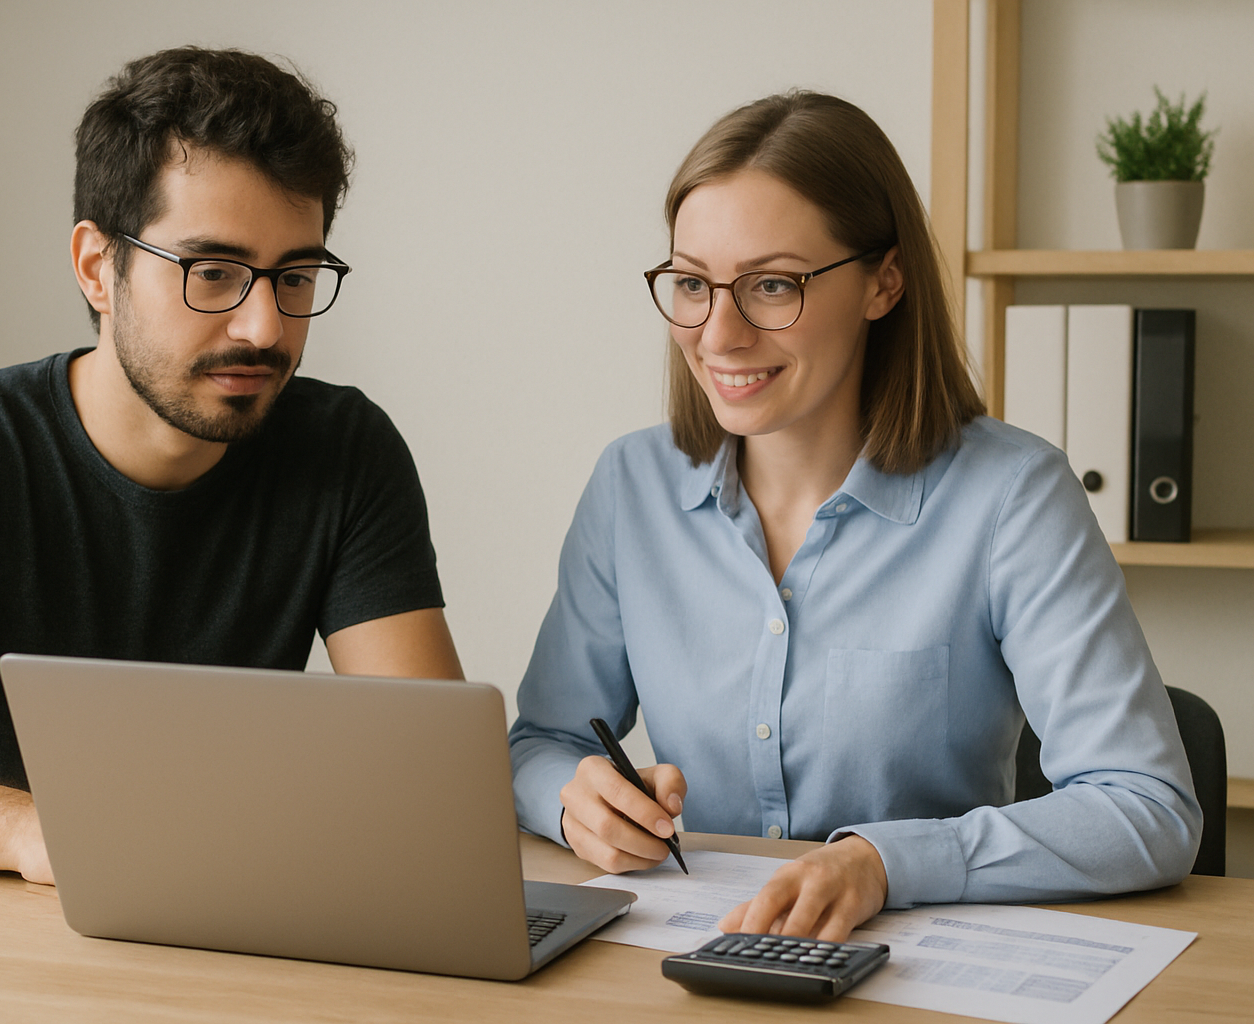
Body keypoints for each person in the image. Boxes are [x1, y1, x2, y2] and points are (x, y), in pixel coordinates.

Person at [0, 47, 463, 885]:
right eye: (214, 272)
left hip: (217, 907)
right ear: (99, 266)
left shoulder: (345, 451)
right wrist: (42, 834)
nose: (266, 329)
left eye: (296, 276)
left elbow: (429, 777)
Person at [508, 91, 1201, 941]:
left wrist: (884, 863)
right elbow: (537, 742)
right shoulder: (630, 485)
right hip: (688, 961)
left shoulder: (1013, 494)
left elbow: (1147, 808)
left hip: (922, 970)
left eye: (771, 285)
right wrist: (575, 801)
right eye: (692, 283)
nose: (717, 334)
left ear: (883, 282)